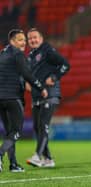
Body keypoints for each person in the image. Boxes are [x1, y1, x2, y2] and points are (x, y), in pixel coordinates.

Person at [0, 29, 48, 172]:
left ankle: (13, 164)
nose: (24, 43)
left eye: (24, 40)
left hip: (1, 99)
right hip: (13, 98)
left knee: (9, 132)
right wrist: (41, 88)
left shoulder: (2, 54)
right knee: (16, 132)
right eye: (20, 40)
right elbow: (27, 74)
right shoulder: (18, 54)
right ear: (12, 41)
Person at [25, 28, 70, 168]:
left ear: (41, 38)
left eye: (35, 37)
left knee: (43, 125)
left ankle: (37, 156)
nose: (33, 40)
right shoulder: (31, 55)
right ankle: (48, 159)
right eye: (30, 38)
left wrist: (54, 77)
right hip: (37, 96)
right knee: (37, 128)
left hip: (50, 94)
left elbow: (65, 65)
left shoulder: (47, 50)